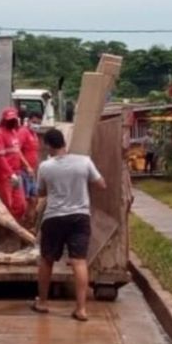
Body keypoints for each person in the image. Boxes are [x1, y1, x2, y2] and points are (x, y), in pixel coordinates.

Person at [31, 128, 106, 322]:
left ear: (48, 145)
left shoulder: (45, 167)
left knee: (47, 260)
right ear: (64, 143)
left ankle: (43, 303)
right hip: (80, 217)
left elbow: (40, 193)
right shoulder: (84, 161)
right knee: (79, 261)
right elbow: (101, 184)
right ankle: (81, 309)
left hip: (54, 217)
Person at [0, 107, 30, 221]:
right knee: (7, 204)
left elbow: (17, 152)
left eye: (13, 119)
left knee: (21, 205)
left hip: (16, 174)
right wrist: (10, 174)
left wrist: (26, 166)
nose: (11, 122)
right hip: (4, 176)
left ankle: (13, 228)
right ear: (4, 120)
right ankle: (5, 232)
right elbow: (0, 158)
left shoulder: (14, 132)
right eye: (9, 120)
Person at [18, 111, 42, 225]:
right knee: (25, 201)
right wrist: (27, 166)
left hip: (31, 173)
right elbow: (17, 150)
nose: (36, 125)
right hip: (23, 172)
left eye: (38, 123)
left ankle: (29, 224)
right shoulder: (23, 132)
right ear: (28, 121)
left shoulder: (34, 134)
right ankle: (23, 225)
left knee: (34, 200)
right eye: (34, 122)